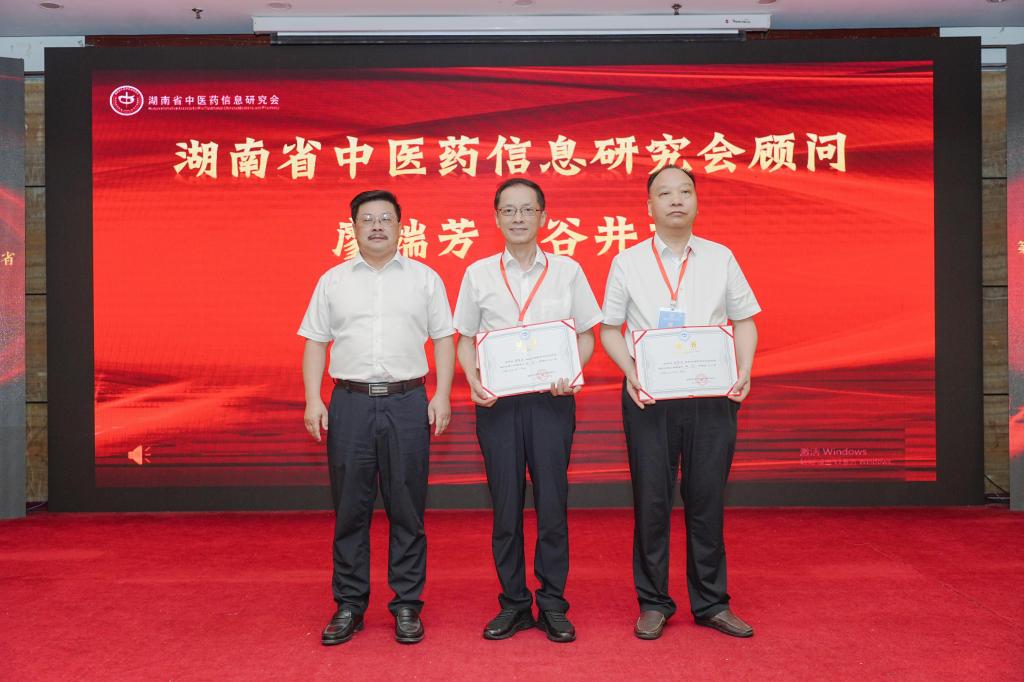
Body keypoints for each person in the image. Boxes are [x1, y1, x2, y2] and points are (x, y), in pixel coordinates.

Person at [599, 166, 760, 640]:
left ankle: (711, 602)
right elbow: (609, 329)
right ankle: (653, 602)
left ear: (696, 201)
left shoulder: (720, 257)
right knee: (652, 501)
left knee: (706, 499)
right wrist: (632, 372)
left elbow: (744, 319)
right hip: (649, 396)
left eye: (685, 192)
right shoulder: (628, 261)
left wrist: (744, 368)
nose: (676, 200)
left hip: (712, 395)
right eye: (665, 193)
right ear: (648, 207)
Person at [299, 189, 455, 646]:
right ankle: (349, 604)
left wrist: (443, 395)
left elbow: (444, 338)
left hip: (408, 402)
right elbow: (315, 341)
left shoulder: (425, 279)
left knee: (407, 507)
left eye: (386, 218)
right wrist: (312, 399)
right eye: (367, 219)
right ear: (353, 228)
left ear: (401, 226)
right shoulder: (333, 281)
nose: (377, 226)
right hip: (349, 402)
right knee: (351, 507)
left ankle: (407, 603)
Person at [453, 178, 602, 643]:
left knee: (552, 504)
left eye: (527, 210)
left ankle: (553, 603)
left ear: (543, 216)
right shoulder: (478, 273)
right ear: (496, 218)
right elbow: (464, 339)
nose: (518, 218)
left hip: (551, 402)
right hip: (497, 404)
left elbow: (587, 333)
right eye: (509, 210)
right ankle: (514, 603)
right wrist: (473, 379)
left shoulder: (567, 271)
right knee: (505, 507)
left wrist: (572, 372)